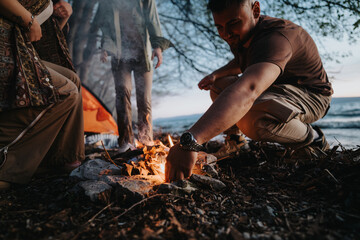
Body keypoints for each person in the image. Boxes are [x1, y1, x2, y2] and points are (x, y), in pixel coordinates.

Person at [165, 0, 333, 182]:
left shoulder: (276, 37)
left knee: (251, 117)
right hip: (278, 90)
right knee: (220, 84)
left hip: (312, 95)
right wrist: (216, 75)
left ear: (256, 10)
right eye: (219, 27)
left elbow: (248, 90)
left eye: (233, 23)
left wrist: (191, 142)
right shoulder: (242, 35)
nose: (226, 34)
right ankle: (236, 142)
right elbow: (242, 62)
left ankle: (313, 140)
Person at [0, 0, 84, 191]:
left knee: (73, 79)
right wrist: (29, 21)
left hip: (18, 44)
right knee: (64, 90)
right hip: (5, 43)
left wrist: (60, 20)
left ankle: (60, 159)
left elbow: (39, 38)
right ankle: (6, 165)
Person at [95, 0, 173, 152]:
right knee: (122, 94)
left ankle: (146, 140)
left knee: (144, 98)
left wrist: (157, 46)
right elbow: (105, 25)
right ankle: (125, 142)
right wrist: (105, 46)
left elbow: (152, 20)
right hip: (120, 55)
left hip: (143, 54)